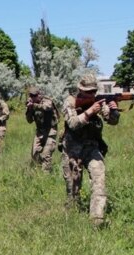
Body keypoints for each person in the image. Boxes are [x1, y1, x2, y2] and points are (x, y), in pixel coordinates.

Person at [61, 74, 119, 226]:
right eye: (88, 92)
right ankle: (72, 218)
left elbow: (111, 121)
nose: (92, 94)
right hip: (72, 151)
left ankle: (96, 220)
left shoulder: (97, 101)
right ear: (80, 89)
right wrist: (90, 112)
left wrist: (114, 111)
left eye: (93, 91)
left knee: (99, 181)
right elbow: (72, 123)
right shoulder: (70, 101)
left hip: (92, 148)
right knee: (73, 189)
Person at [25, 86, 59, 172]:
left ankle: (46, 175)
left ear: (39, 94)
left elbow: (46, 108)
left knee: (46, 153)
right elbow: (29, 120)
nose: (32, 97)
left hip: (51, 130)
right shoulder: (31, 104)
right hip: (40, 131)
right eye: (31, 96)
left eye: (34, 95)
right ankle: (40, 167)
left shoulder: (47, 101)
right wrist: (29, 109)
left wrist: (34, 105)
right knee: (34, 153)